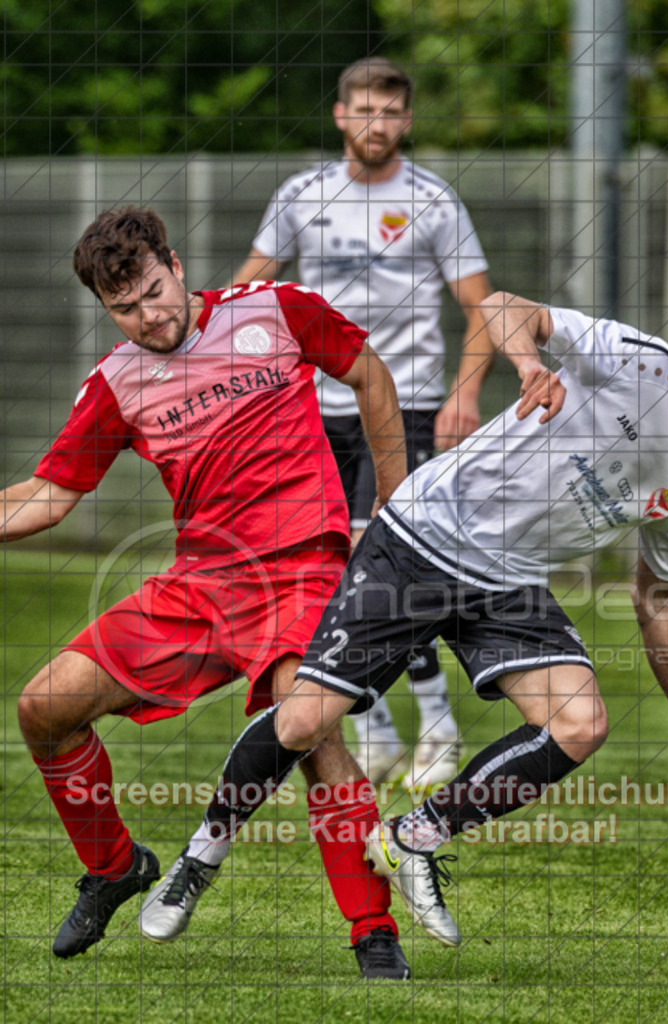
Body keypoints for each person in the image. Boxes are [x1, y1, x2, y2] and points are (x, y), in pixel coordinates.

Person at [143, 291, 668, 949]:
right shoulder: (639, 365)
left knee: (580, 723)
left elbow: (655, 596)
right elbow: (501, 304)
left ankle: (412, 838)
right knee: (304, 721)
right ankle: (199, 859)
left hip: (506, 581)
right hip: (422, 537)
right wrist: (525, 363)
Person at [7, 206, 412, 979]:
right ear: (104, 308)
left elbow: (369, 372)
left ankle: (372, 930)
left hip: (304, 569)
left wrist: (388, 515)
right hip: (201, 584)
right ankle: (114, 868)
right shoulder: (116, 383)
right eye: (124, 308)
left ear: (178, 266)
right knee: (43, 707)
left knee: (307, 722)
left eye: (155, 291)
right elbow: (48, 495)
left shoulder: (276, 310)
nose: (148, 316)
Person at [232, 56, 494, 791]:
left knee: (390, 559)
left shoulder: (432, 200)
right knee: (330, 569)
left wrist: (463, 394)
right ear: (341, 115)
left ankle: (437, 727)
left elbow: (480, 307)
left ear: (406, 120)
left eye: (390, 111)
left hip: (404, 402)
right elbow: (250, 285)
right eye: (363, 110)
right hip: (315, 408)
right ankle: (376, 734)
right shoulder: (302, 194)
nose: (376, 123)